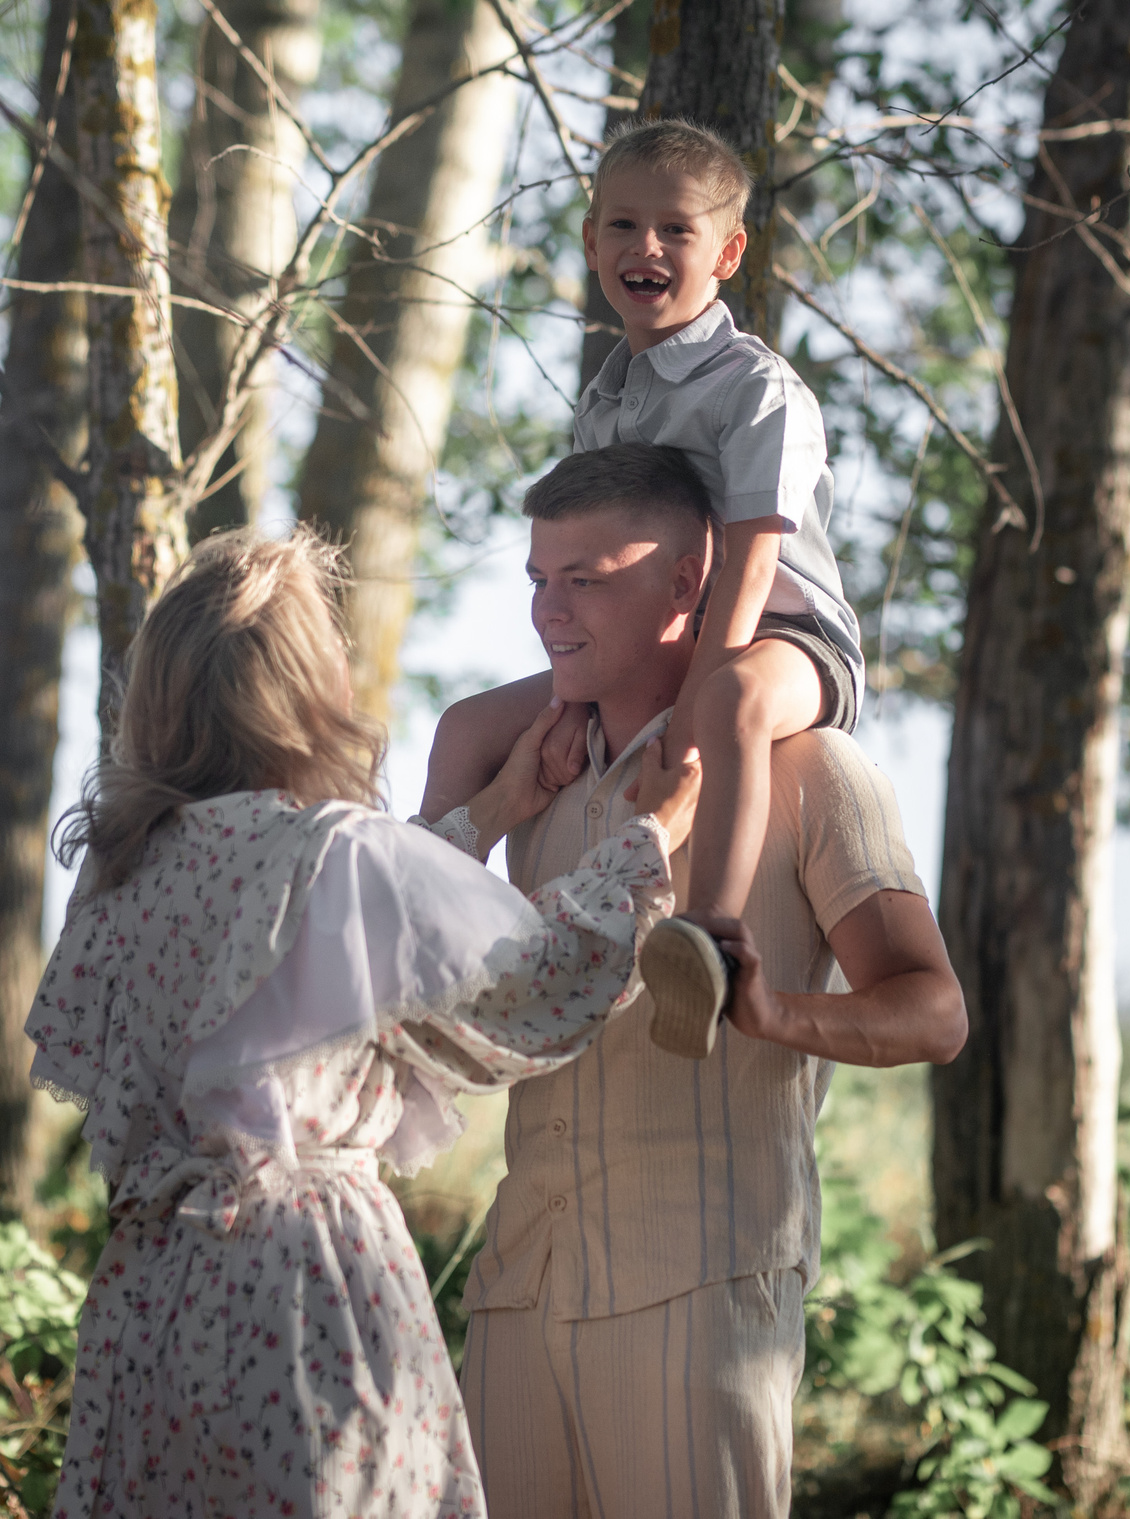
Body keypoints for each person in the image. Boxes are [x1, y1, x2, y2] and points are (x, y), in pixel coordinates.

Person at [23, 529, 700, 1518]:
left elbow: (320, 947)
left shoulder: (131, 871)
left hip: (153, 1297)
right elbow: (541, 982)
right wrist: (646, 840)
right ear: (305, 686)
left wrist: (495, 808)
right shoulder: (338, 851)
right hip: (298, 1286)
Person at [427, 445, 965, 1519]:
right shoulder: (528, 772)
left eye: (587, 578)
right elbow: (406, 968)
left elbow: (934, 1009)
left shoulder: (812, 770)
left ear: (688, 583)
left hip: (703, 1284)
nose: (549, 611)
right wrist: (490, 809)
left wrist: (770, 1010)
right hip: (520, 1279)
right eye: (539, 578)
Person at [419, 118, 868, 1061]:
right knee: (468, 723)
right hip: (658, 642)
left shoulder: (758, 390)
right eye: (622, 227)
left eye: (676, 230)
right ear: (590, 243)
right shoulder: (606, 402)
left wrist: (692, 714)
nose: (645, 248)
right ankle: (432, 927)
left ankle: (708, 937)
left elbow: (749, 565)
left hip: (785, 637)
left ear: (729, 251)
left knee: (738, 697)